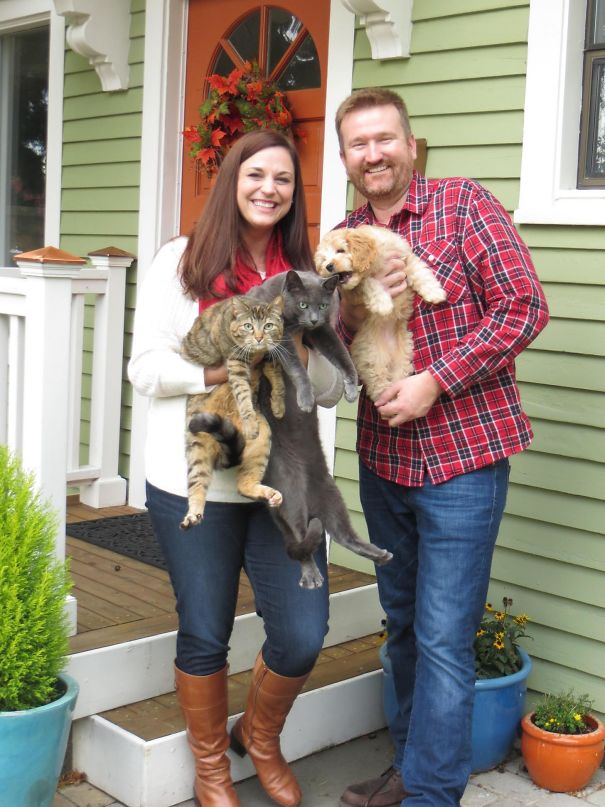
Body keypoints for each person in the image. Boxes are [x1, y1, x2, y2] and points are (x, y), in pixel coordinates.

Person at [333, 88, 550, 807]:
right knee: (399, 628)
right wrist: (347, 306)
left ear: (410, 143)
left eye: (384, 138)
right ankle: (410, 770)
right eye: (358, 144)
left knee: (441, 638)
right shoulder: (341, 237)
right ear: (344, 158)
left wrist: (436, 381)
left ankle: (431, 795)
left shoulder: (463, 206)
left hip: (463, 460)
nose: (373, 154)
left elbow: (523, 305)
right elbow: (330, 349)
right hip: (382, 463)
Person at [128, 129, 345, 807]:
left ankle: (259, 735)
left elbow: (338, 387)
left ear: (293, 193)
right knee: (204, 630)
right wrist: (227, 365)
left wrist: (305, 352)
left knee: (303, 632)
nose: (268, 189)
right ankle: (211, 767)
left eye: (282, 179)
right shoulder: (181, 262)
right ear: (232, 180)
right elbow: (145, 368)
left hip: (285, 484)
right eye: (256, 174)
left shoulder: (307, 271)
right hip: (198, 478)